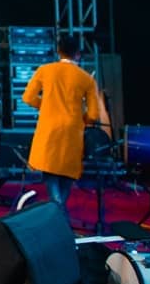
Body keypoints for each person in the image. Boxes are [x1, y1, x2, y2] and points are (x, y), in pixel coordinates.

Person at [21, 34, 100, 218]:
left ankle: (57, 217)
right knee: (65, 179)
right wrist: (82, 119)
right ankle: (58, 216)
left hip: (50, 132)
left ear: (58, 51)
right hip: (72, 133)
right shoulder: (87, 79)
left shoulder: (45, 70)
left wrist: (47, 106)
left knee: (51, 175)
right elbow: (94, 115)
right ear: (78, 54)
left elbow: (28, 97)